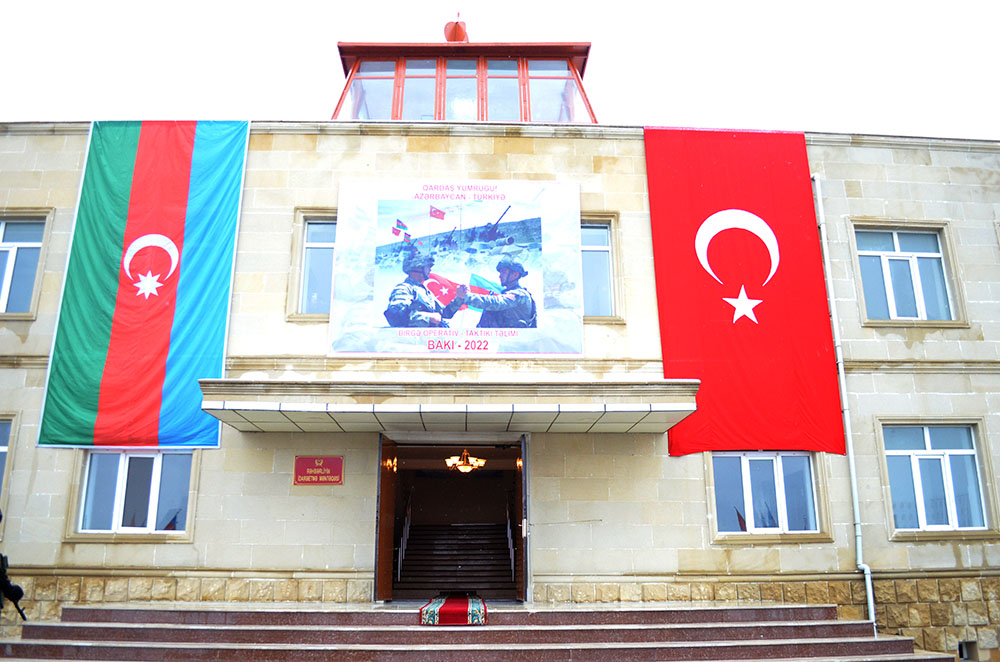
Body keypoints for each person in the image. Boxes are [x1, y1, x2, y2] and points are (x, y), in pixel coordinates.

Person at [454, 256, 537, 328]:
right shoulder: (506, 293)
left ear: (515, 275)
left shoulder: (520, 294)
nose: (500, 276)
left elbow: (496, 303)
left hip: (517, 339)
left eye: (504, 272)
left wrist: (467, 297)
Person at [384, 253, 462, 327]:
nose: (430, 270)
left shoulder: (425, 292)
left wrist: (460, 298)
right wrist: (427, 317)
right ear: (418, 267)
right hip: (413, 336)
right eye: (427, 267)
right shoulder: (405, 288)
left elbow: (445, 313)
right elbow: (394, 315)